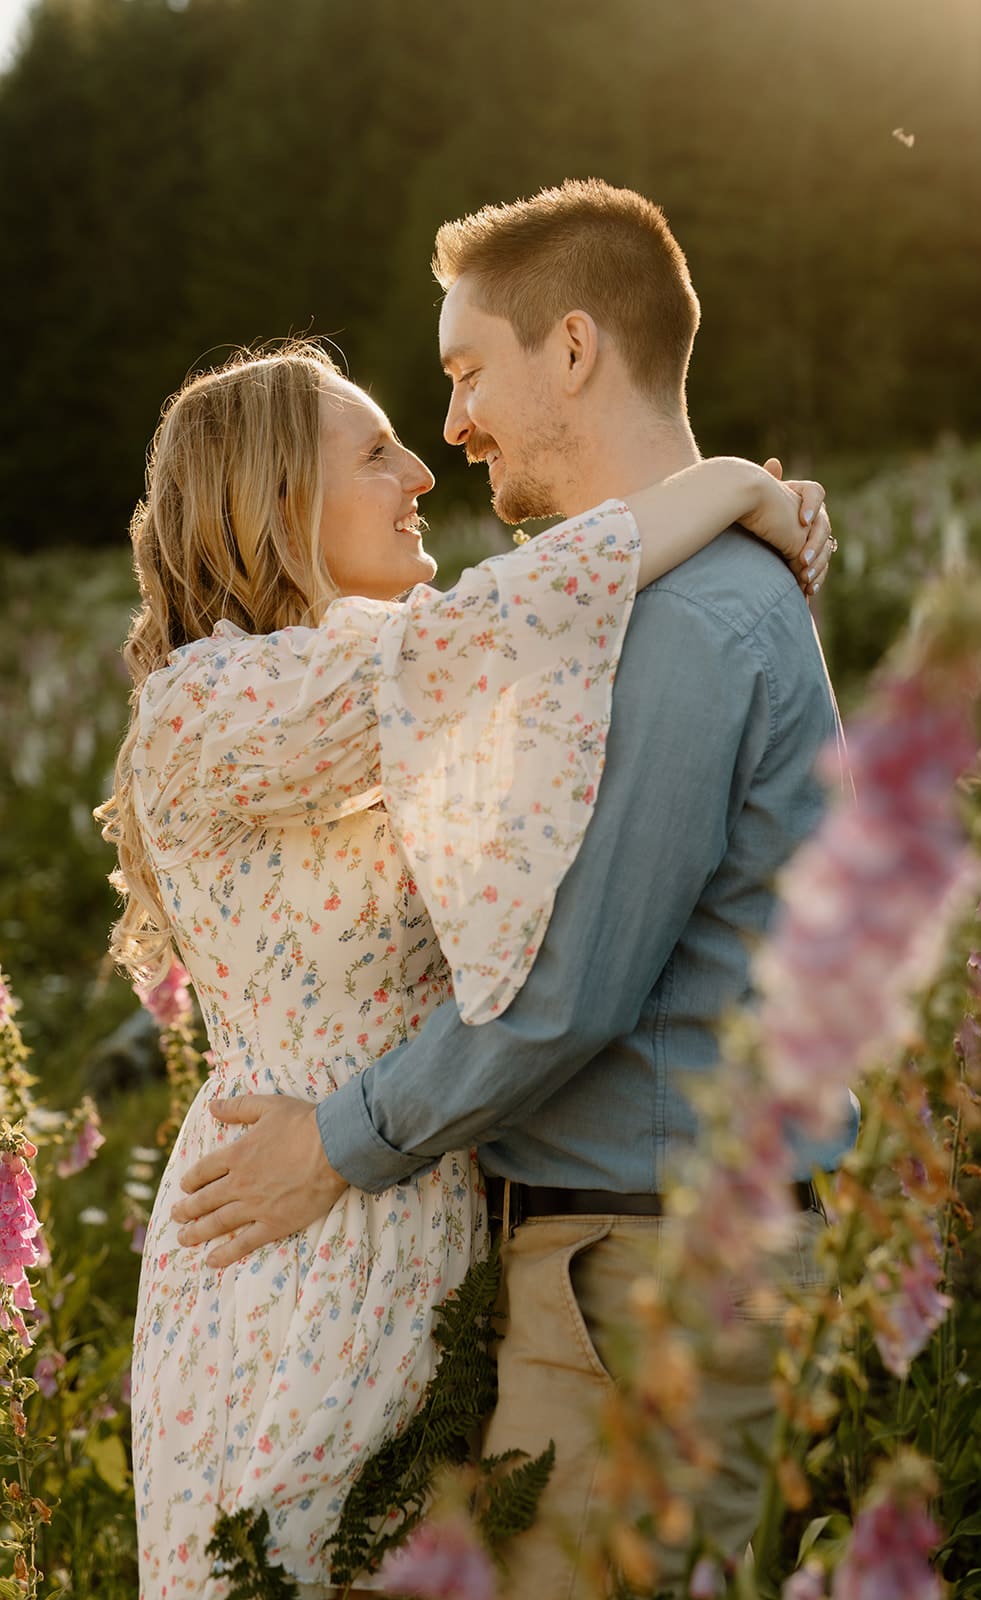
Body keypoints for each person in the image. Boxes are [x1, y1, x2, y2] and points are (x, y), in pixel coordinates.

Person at [101, 329, 832, 1599]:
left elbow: (543, 673)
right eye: (377, 452)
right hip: (299, 1229)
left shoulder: (396, 689)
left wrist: (734, 539)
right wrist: (729, 488)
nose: (421, 474)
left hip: (418, 1200)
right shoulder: (211, 704)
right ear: (279, 501)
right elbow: (510, 620)